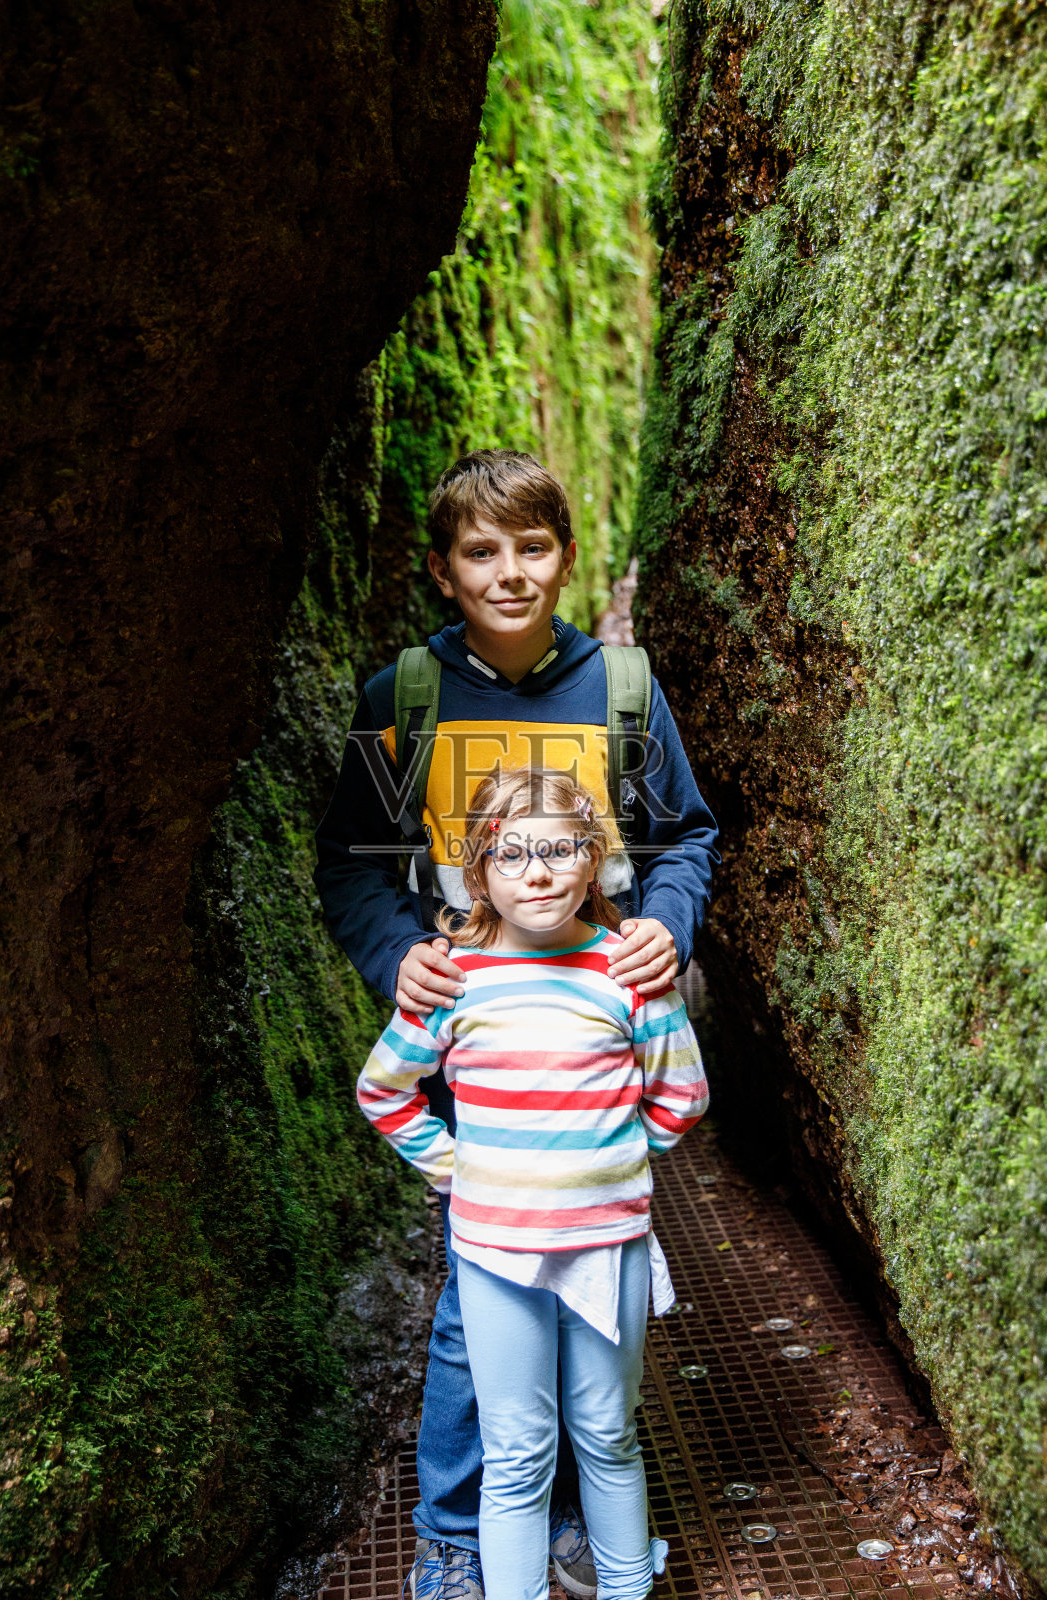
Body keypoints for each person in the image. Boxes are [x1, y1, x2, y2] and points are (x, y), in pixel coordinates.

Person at [314, 449, 718, 1598]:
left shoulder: (621, 694)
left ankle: (592, 1523)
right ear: (443, 571)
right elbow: (352, 864)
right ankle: (458, 1529)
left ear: (564, 556)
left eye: (530, 548)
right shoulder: (404, 702)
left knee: (597, 1279)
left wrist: (666, 931)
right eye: (479, 553)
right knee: (472, 1282)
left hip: (594, 1018)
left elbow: (684, 836)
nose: (508, 573)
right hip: (472, 1032)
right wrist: (408, 967)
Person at [357, 770, 710, 1599]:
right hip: (494, 1254)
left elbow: (683, 1095)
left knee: (606, 1434)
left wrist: (612, 1160)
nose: (538, 871)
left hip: (605, 1247)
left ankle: (626, 1590)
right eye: (509, 856)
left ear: (592, 861)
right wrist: (457, 1168)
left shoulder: (628, 972)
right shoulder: (454, 978)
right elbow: (383, 1090)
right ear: (478, 875)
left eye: (558, 849)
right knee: (517, 1452)